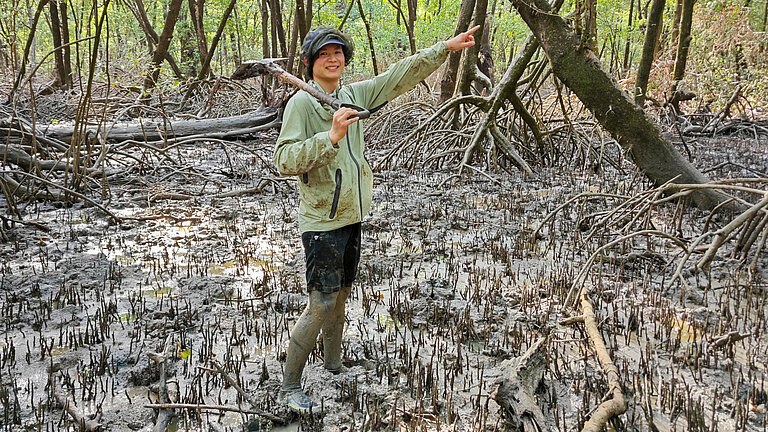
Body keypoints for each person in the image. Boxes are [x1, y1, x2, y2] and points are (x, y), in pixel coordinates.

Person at [273, 24, 480, 414]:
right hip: (321, 223)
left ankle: (332, 365)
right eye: (323, 54)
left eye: (338, 53)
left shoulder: (351, 95)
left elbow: (398, 76)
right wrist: (329, 138)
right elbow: (283, 160)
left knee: (341, 297)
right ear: (309, 63)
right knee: (320, 303)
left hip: (351, 216)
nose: (333, 59)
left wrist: (445, 48)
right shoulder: (301, 104)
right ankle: (289, 386)